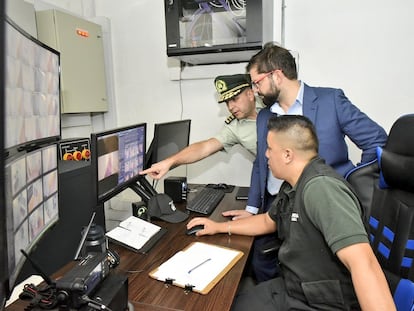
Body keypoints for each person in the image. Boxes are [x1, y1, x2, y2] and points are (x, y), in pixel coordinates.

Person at [187, 115, 396, 311]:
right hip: (293, 286)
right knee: (226, 304)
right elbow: (268, 221)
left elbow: (364, 264)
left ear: (287, 154)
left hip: (321, 302)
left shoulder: (322, 189)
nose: (266, 154)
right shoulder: (294, 184)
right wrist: (219, 227)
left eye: (270, 148)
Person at [223, 43, 388, 282]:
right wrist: (251, 210)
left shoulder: (330, 100)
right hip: (276, 206)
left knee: (316, 272)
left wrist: (352, 184)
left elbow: (376, 141)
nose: (256, 91)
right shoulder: (266, 117)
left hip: (318, 208)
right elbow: (261, 163)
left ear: (276, 75)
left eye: (257, 82)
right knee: (259, 264)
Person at [140, 74, 264, 180]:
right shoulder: (234, 128)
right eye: (227, 102)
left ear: (250, 94)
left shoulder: (270, 102)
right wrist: (170, 161)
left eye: (234, 99)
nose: (230, 107)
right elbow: (204, 147)